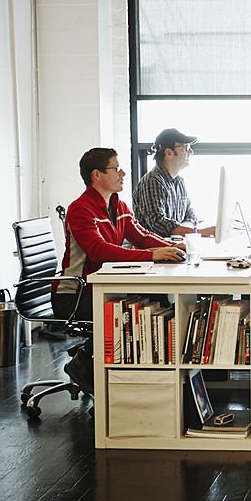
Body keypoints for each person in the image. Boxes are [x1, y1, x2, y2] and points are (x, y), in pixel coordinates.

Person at [53, 148, 186, 393]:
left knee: (157, 300)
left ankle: (141, 378)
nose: (123, 172)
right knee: (147, 304)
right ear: (97, 175)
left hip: (103, 288)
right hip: (75, 295)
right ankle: (88, 365)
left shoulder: (119, 205)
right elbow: (98, 250)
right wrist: (151, 255)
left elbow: (142, 236)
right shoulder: (80, 209)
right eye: (116, 168)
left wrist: (174, 246)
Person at [133, 128, 215, 238]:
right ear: (169, 152)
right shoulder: (153, 181)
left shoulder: (179, 182)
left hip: (175, 247)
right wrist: (198, 232)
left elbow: (190, 214)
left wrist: (184, 230)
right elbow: (158, 224)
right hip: (157, 251)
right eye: (186, 147)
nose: (191, 152)